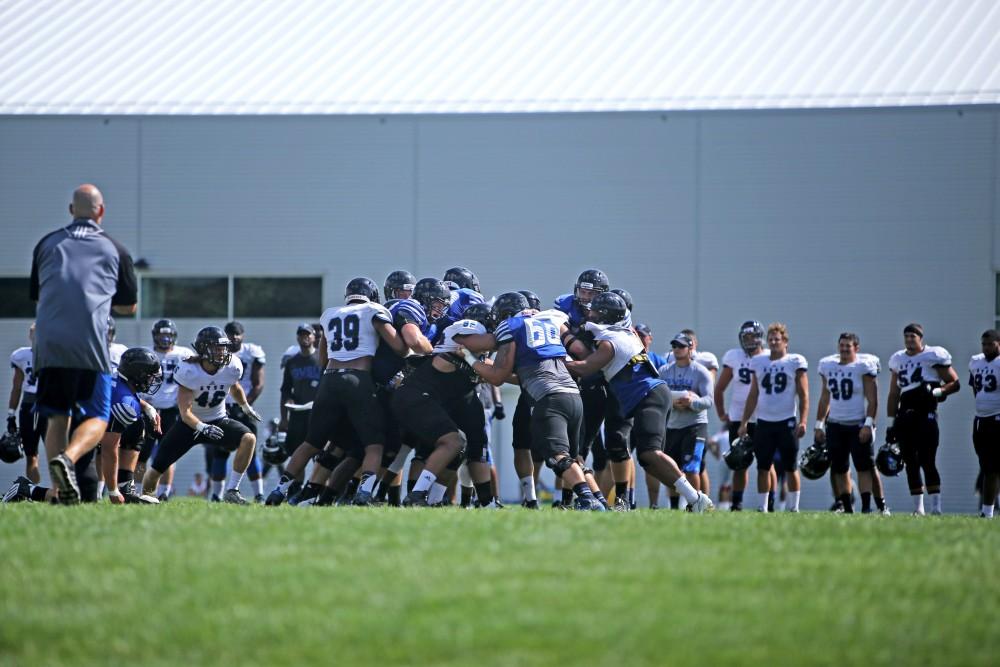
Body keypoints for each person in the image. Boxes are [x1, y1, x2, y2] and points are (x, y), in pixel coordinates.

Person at [30, 184, 137, 504]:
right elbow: (128, 306)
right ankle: (70, 458)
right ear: (100, 212)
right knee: (98, 417)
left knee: (56, 416)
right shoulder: (114, 248)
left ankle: (59, 487)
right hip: (90, 344)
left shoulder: (46, 244)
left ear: (70, 211)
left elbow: (41, 293)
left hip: (48, 344)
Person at [564, 292, 713, 512]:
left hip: (649, 395)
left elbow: (585, 367)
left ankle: (697, 498)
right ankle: (694, 498)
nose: (590, 313)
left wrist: (556, 359)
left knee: (651, 453)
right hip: (650, 395)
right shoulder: (623, 332)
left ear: (606, 316)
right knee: (646, 458)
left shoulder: (611, 342)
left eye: (596, 311)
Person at [458, 292, 605, 511]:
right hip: (573, 395)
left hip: (549, 396)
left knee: (558, 458)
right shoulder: (548, 322)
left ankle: (587, 499)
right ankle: (599, 499)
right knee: (573, 459)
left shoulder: (511, 326)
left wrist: (470, 358)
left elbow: (497, 377)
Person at [141, 326, 260, 504]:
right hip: (189, 425)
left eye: (223, 348)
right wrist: (203, 427)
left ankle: (232, 490)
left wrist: (245, 406)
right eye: (217, 348)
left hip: (218, 419)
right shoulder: (190, 370)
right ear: (204, 349)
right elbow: (185, 412)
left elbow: (234, 386)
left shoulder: (233, 365)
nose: (222, 352)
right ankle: (147, 498)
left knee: (249, 438)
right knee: (157, 467)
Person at [887, 323, 960, 515]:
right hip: (905, 415)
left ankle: (936, 507)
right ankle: (918, 509)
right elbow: (894, 393)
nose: (910, 340)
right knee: (910, 461)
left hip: (926, 414)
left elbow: (955, 382)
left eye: (913, 336)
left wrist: (938, 391)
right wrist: (890, 422)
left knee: (928, 460)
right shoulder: (897, 358)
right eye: (907, 336)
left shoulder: (932, 355)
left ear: (921, 338)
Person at [814, 333, 888, 514]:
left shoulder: (863, 367)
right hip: (835, 424)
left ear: (856, 348)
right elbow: (825, 398)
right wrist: (819, 424)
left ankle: (868, 506)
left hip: (857, 424)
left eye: (848, 346)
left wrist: (868, 424)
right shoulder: (828, 366)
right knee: (840, 468)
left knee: (865, 467)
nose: (844, 349)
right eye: (842, 345)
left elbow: (873, 400)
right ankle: (847, 507)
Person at [738, 323, 808, 512]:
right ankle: (763, 507)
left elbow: (803, 394)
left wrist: (803, 420)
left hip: (787, 420)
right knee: (763, 466)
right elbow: (753, 394)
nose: (774, 342)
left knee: (791, 466)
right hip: (764, 422)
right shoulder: (759, 361)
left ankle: (794, 507)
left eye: (777, 339)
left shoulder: (794, 361)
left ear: (785, 342)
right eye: (771, 339)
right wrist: (744, 422)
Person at [138, 320, 195, 501]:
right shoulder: (146, 353)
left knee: (168, 452)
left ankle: (164, 492)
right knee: (140, 453)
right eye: (161, 335)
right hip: (148, 409)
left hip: (172, 410)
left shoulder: (184, 353)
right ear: (154, 336)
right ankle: (138, 490)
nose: (164, 339)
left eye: (168, 335)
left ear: (174, 336)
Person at [715, 321, 768, 511]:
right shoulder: (734, 357)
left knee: (765, 464)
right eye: (746, 337)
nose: (750, 340)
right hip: (738, 418)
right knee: (739, 462)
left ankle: (767, 504)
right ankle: (736, 504)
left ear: (760, 337)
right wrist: (722, 413)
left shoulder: (769, 357)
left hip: (763, 418)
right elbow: (719, 388)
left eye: (753, 336)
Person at [658, 333, 714, 509]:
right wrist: (672, 403)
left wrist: (692, 403)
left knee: (691, 467)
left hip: (695, 426)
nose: (677, 349)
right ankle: (674, 506)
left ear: (690, 348)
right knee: (673, 471)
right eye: (674, 346)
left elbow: (709, 400)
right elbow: (658, 397)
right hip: (672, 426)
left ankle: (694, 504)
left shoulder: (701, 372)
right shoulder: (664, 371)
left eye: (681, 346)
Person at [220, 321, 267, 501]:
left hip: (244, 407)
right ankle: (217, 494)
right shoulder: (218, 350)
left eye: (237, 334)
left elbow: (258, 384)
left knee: (251, 449)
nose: (233, 337)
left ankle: (259, 494)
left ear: (243, 335)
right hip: (222, 407)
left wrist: (245, 405)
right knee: (220, 450)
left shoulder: (251, 352)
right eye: (230, 334)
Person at [7, 323, 45, 483]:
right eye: (32, 332)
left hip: (49, 405)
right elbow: (16, 386)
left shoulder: (56, 354)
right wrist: (11, 414)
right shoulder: (21, 355)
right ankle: (36, 492)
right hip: (29, 405)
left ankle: (59, 491)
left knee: (57, 454)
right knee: (31, 455)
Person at [969, 329, 1000, 518]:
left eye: (991, 344)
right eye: (984, 344)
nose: (987, 347)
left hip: (998, 419)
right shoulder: (976, 361)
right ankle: (987, 511)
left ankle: (987, 512)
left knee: (993, 468)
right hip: (981, 420)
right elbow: (976, 389)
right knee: (987, 467)